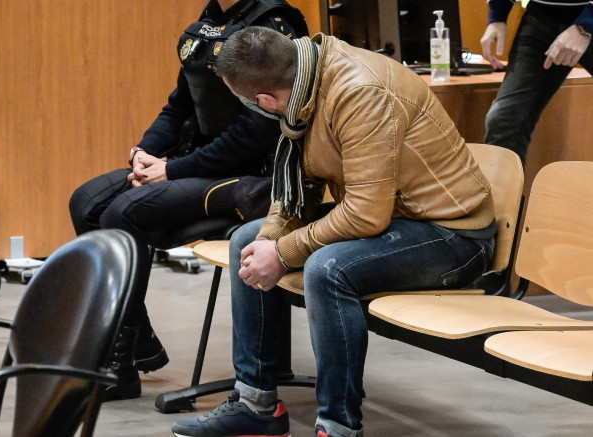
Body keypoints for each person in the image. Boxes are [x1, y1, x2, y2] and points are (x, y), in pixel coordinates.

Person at [170, 27, 497, 437]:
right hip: (394, 216)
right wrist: (271, 238)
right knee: (245, 240)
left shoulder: (359, 93)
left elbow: (364, 216)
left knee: (327, 268)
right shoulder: (305, 80)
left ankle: (338, 425)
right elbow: (297, 192)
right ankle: (256, 405)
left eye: (249, 104)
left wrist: (285, 252)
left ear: (266, 102)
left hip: (452, 233)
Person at [69, 0, 307, 401]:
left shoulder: (274, 23)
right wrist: (144, 152)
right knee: (85, 202)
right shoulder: (212, 19)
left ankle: (119, 362)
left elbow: (257, 133)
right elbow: (178, 106)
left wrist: (171, 171)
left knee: (123, 212)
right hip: (198, 162)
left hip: (253, 177)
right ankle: (135, 342)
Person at [482, 0, 593, 165]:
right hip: (541, 19)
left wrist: (585, 26)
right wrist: (498, 15)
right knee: (504, 120)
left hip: (586, 18)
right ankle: (508, 191)